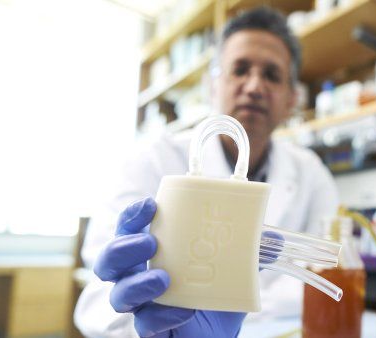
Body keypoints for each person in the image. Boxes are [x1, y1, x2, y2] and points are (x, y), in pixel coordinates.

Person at [74, 7, 339, 337]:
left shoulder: (312, 175)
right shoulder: (153, 160)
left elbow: (327, 277)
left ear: (292, 99)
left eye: (272, 75)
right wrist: (149, 327)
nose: (254, 86)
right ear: (212, 85)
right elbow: (100, 295)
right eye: (239, 70)